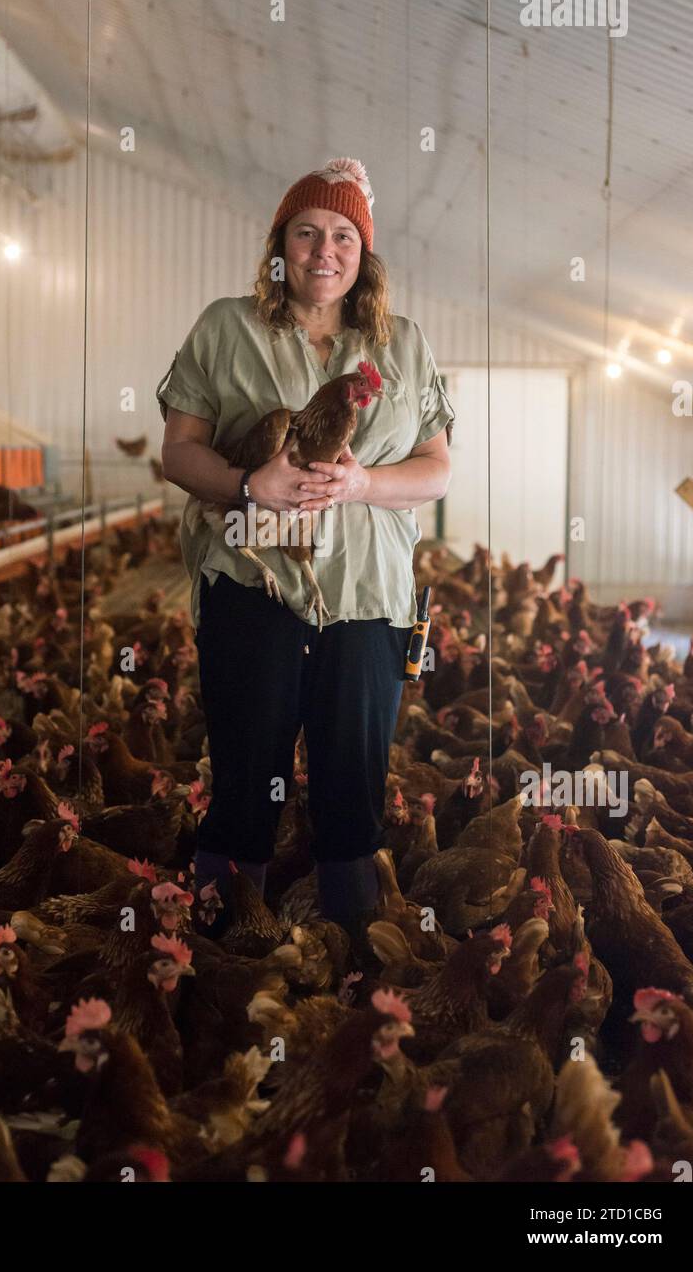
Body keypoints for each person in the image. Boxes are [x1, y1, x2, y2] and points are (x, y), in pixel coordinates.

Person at [156, 157, 454, 943]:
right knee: (246, 772)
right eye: (308, 231)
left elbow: (436, 469)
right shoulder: (227, 327)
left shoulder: (404, 344)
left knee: (353, 782)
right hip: (254, 576)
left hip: (366, 590)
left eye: (344, 236)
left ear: (365, 253)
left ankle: (353, 940)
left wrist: (362, 487)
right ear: (280, 245)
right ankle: (223, 934)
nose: (325, 250)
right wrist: (249, 485)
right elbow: (178, 453)